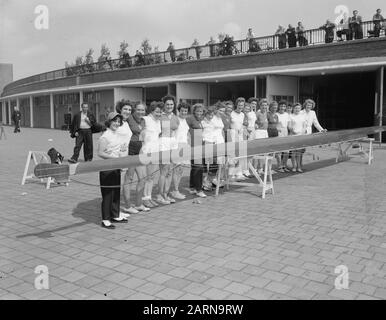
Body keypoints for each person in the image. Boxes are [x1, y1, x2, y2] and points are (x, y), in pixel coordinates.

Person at [97, 112, 128, 229]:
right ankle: (105, 219)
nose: (116, 123)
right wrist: (115, 158)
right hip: (107, 169)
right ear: (109, 122)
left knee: (115, 192)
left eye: (118, 122)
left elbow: (117, 150)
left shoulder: (116, 134)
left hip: (115, 166)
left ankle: (115, 215)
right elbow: (100, 153)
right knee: (107, 194)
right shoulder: (105, 136)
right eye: (114, 121)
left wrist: (122, 150)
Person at [115, 100, 140, 216]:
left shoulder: (125, 122)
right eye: (125, 109)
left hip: (126, 155)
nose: (127, 111)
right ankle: (116, 211)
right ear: (120, 109)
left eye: (129, 110)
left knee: (126, 180)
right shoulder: (116, 122)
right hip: (116, 157)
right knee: (116, 184)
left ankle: (125, 206)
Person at [127, 102, 152, 212]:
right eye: (138, 109)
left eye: (143, 110)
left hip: (140, 152)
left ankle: (138, 204)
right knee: (129, 179)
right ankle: (128, 206)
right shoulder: (129, 119)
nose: (141, 112)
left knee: (143, 178)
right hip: (130, 152)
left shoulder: (143, 121)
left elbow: (142, 136)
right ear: (134, 110)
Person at [156, 95, 180, 204]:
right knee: (163, 171)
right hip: (163, 144)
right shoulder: (160, 116)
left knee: (170, 171)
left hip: (173, 144)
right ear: (164, 105)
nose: (169, 106)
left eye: (171, 104)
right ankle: (159, 195)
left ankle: (166, 194)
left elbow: (176, 131)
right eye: (167, 104)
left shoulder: (175, 117)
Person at [141, 101, 163, 205]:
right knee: (148, 176)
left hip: (155, 150)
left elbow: (158, 137)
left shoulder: (158, 121)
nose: (159, 114)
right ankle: (145, 199)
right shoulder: (145, 120)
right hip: (147, 151)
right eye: (157, 112)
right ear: (152, 110)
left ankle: (148, 197)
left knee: (152, 176)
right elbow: (140, 136)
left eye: (160, 112)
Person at [201, 105, 225, 189]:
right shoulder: (203, 122)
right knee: (208, 164)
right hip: (207, 143)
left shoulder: (214, 121)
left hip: (215, 142)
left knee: (216, 163)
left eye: (211, 114)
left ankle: (211, 181)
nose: (211, 116)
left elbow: (218, 132)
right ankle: (205, 183)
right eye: (220, 110)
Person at [186, 103, 206, 198]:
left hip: (199, 145)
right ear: (194, 111)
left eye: (201, 111)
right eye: (197, 111)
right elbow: (186, 130)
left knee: (195, 167)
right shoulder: (190, 118)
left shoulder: (200, 120)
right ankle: (199, 189)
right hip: (194, 146)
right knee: (199, 168)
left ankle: (192, 187)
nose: (199, 113)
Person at [171, 102, 190, 200]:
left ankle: (176, 189)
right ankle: (175, 190)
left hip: (184, 146)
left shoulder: (185, 120)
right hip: (176, 146)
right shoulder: (175, 119)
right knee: (176, 169)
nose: (184, 112)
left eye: (186, 111)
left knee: (181, 170)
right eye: (182, 110)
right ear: (179, 110)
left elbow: (186, 135)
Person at [230, 97, 249, 179]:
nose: (240, 106)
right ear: (236, 105)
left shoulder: (243, 114)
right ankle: (232, 174)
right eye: (239, 105)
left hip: (240, 135)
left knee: (240, 155)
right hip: (232, 134)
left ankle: (239, 173)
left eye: (242, 105)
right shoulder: (231, 113)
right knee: (232, 155)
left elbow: (242, 126)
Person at [288, 103, 307, 173]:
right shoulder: (290, 116)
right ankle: (294, 167)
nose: (297, 109)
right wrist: (293, 131)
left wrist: (302, 133)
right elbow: (289, 126)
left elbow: (304, 126)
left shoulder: (302, 116)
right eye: (296, 108)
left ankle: (299, 167)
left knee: (299, 153)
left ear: (300, 109)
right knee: (293, 152)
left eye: (298, 108)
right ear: (293, 108)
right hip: (293, 136)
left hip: (300, 136)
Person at [254, 99, 269, 174]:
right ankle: (255, 169)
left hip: (265, 133)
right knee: (257, 152)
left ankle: (261, 168)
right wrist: (255, 125)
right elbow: (253, 122)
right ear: (260, 106)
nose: (264, 106)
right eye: (263, 105)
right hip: (258, 132)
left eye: (265, 105)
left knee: (263, 152)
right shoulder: (257, 113)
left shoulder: (267, 113)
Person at [276, 101, 291, 172]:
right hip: (278, 132)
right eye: (281, 106)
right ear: (279, 106)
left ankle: (284, 165)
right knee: (278, 151)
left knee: (286, 151)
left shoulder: (287, 115)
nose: (282, 108)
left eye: (284, 106)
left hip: (286, 132)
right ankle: (279, 166)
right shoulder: (276, 114)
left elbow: (289, 125)